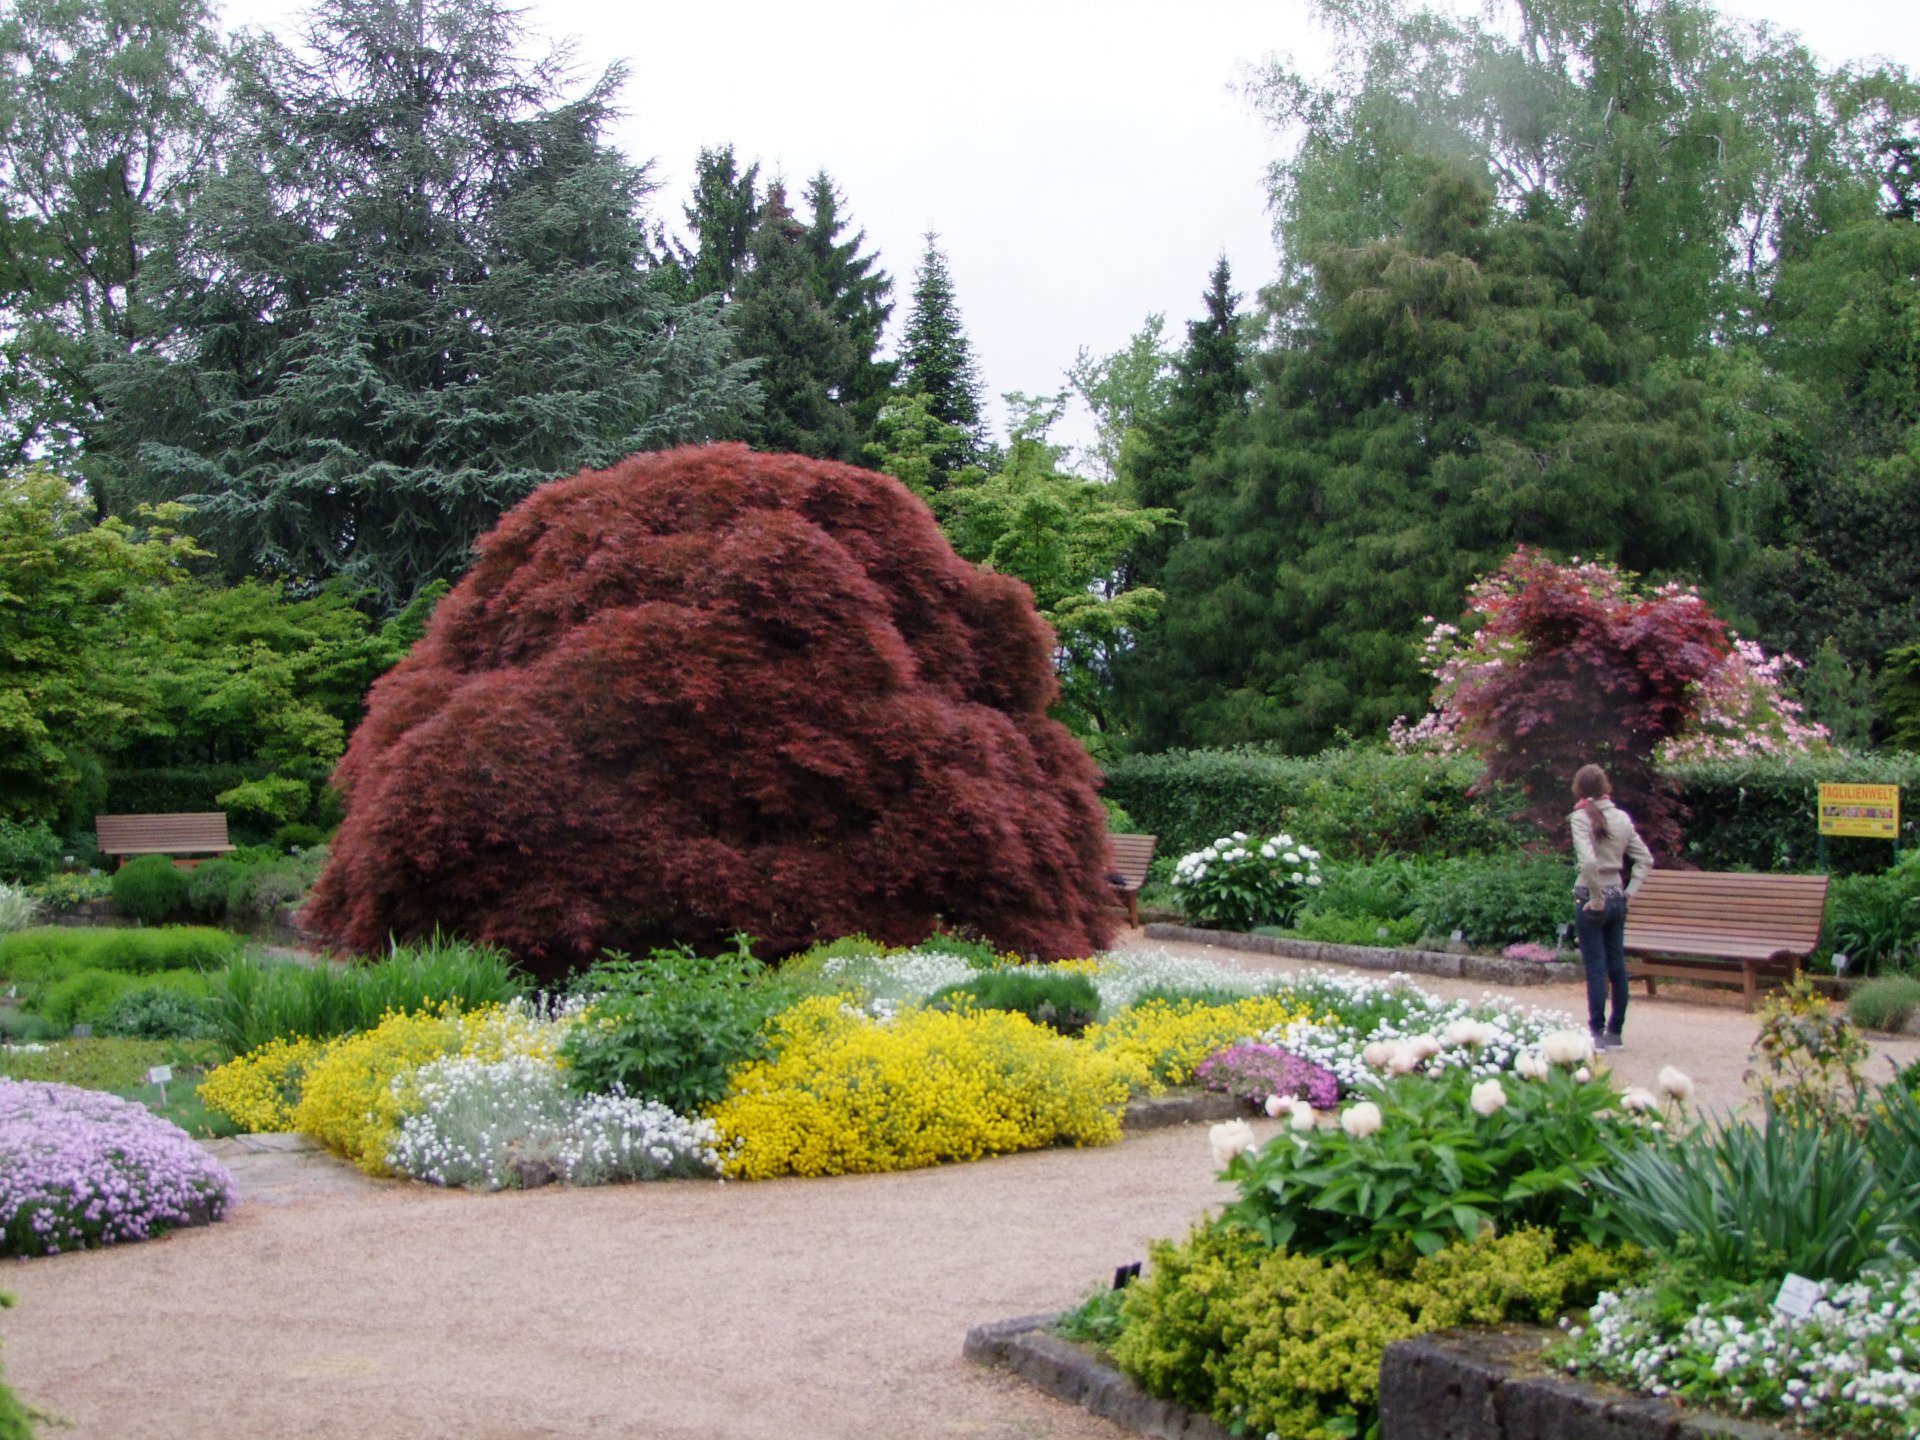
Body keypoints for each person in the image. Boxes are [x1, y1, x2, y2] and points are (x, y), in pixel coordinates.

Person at [1568, 764, 1654, 1050]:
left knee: (1595, 966)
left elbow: (1588, 862)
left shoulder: (1580, 818)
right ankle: (1615, 1032)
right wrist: (1630, 892)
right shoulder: (1622, 818)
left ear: (1580, 788)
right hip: (1617, 896)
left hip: (1591, 900)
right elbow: (1646, 859)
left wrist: (1595, 896)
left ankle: (1596, 1033)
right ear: (1605, 785)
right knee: (1616, 965)